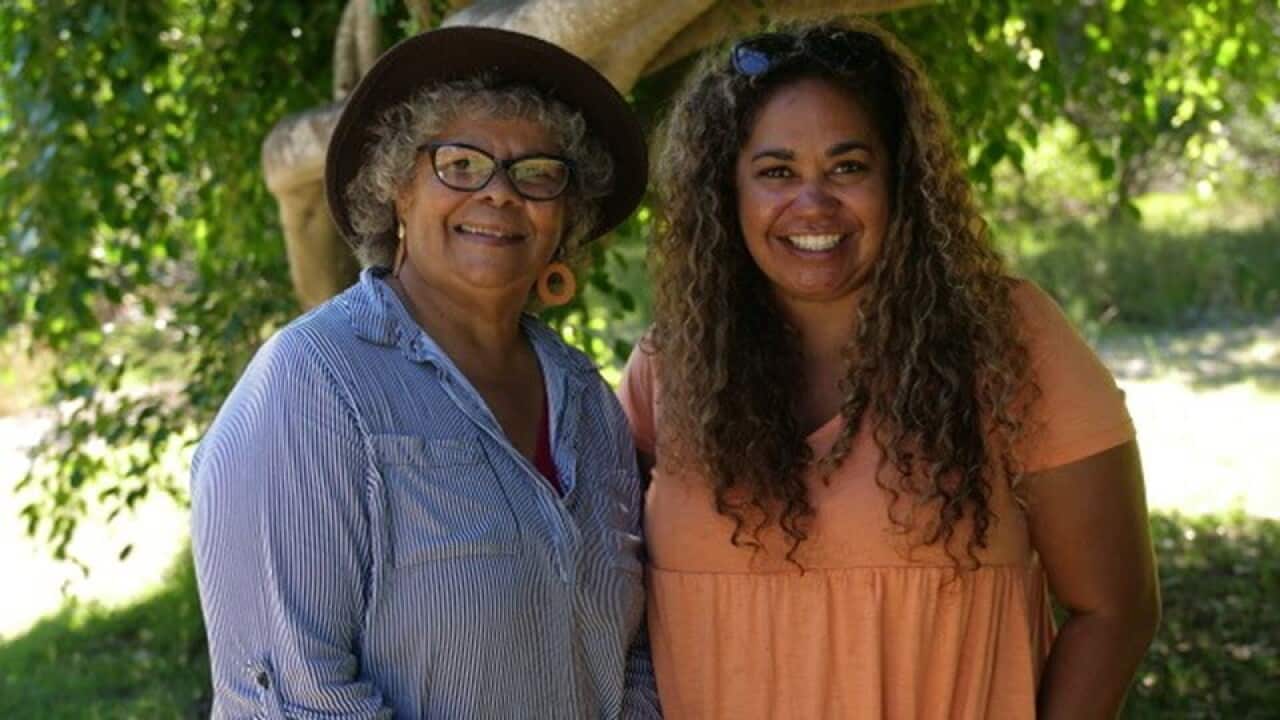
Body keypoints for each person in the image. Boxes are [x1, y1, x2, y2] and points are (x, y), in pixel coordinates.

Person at [618, 19, 1159, 720]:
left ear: (901, 179)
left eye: (848, 167)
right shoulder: (671, 369)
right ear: (727, 193)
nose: (812, 203)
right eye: (776, 172)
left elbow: (1114, 610)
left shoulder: (1007, 338)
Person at [191, 27, 660, 718]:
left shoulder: (588, 400)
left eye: (536, 173)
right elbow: (293, 699)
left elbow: (634, 660)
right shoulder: (315, 382)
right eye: (461, 165)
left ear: (565, 215)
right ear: (399, 189)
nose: (499, 193)